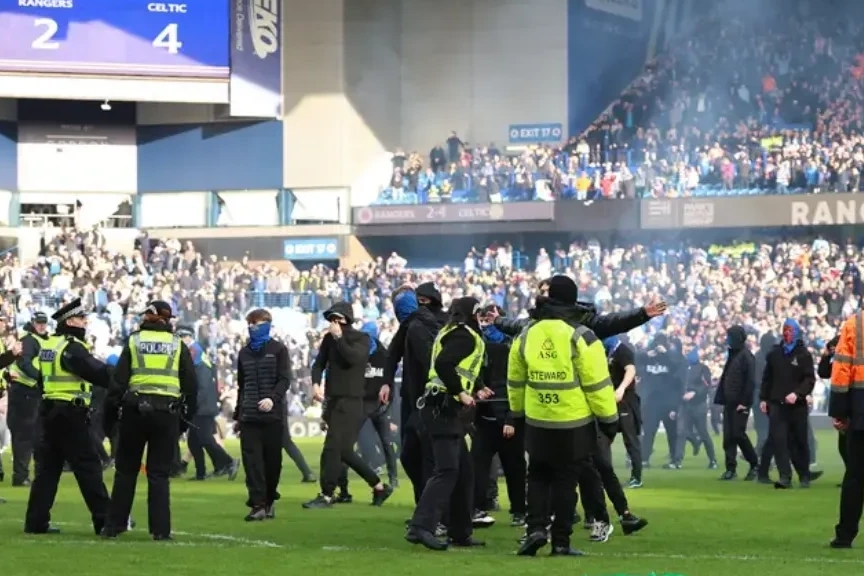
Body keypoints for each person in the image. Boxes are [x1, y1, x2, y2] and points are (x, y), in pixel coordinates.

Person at [509, 276, 619, 558]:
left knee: (537, 476)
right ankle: (560, 542)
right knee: (566, 481)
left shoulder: (526, 334)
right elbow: (597, 384)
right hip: (573, 423)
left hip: (537, 420)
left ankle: (535, 529)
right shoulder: (581, 336)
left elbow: (515, 380)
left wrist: (517, 413)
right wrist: (609, 420)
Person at [102, 301, 197, 540]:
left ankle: (114, 526)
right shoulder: (176, 344)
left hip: (134, 411)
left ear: (148, 316)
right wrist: (183, 421)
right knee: (159, 475)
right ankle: (161, 531)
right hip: (166, 414)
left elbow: (117, 384)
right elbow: (191, 387)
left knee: (126, 471)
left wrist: (111, 417)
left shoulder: (134, 341)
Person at [406, 296, 491, 551]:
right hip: (442, 409)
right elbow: (444, 364)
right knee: (447, 471)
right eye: (479, 313)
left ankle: (460, 532)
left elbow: (458, 368)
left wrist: (477, 386)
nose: (481, 318)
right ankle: (421, 526)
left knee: (464, 471)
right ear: (472, 314)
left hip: (441, 408)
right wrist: (461, 392)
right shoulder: (465, 336)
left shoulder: (453, 332)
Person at [24, 298, 112, 535]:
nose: (85, 322)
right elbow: (97, 372)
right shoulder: (72, 347)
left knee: (47, 470)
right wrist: (121, 377)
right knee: (88, 467)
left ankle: (35, 522)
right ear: (70, 321)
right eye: (82, 319)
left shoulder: (49, 345)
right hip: (70, 413)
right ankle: (105, 520)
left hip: (48, 412)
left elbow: (40, 377)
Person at [304, 303, 393, 509]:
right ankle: (379, 486)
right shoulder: (328, 339)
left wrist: (339, 338)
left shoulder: (361, 339)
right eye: (331, 319)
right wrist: (316, 383)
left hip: (351, 400)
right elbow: (319, 363)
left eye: (337, 319)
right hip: (333, 399)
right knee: (345, 451)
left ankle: (327, 494)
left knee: (332, 448)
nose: (333, 323)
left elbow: (353, 358)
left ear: (346, 319)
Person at [380, 285, 443, 507]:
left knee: (425, 457)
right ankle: (426, 508)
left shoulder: (424, 326)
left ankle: (430, 511)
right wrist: (386, 381)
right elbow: (392, 354)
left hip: (428, 401)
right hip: (414, 399)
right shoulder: (411, 325)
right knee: (412, 456)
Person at [470, 305, 526, 529]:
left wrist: (511, 418)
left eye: (490, 320)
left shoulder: (514, 349)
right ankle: (476, 508)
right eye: (483, 320)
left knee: (515, 468)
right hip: (484, 419)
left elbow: (517, 386)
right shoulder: (477, 348)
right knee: (478, 467)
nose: (486, 325)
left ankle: (520, 510)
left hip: (507, 421)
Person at [233, 308, 292, 521]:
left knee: (272, 462)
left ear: (266, 325)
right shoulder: (243, 353)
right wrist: (238, 414)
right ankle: (257, 504)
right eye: (249, 324)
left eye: (255, 324)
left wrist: (272, 398)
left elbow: (285, 379)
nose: (251, 328)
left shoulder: (279, 349)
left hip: (273, 416)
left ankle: (269, 499)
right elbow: (242, 385)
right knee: (252, 463)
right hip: (249, 416)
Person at [333, 321, 398, 500]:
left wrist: (387, 405)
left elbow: (389, 382)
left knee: (383, 443)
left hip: (375, 405)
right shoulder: (359, 352)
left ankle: (390, 479)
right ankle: (345, 489)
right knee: (348, 445)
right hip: (361, 404)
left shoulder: (383, 355)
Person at [758, 319, 820, 489]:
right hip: (777, 404)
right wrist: (763, 398)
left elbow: (809, 379)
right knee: (779, 441)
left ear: (796, 332)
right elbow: (767, 378)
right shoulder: (774, 354)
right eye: (785, 330)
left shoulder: (804, 354)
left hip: (797, 406)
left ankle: (804, 475)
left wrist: (798, 394)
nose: (787, 333)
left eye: (790, 330)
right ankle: (785, 476)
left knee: (799, 440)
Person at [177, 326, 239, 481]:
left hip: (202, 406)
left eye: (180, 337)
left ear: (188, 337)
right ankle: (202, 473)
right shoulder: (197, 353)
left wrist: (193, 403)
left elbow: (202, 385)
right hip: (203, 404)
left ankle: (229, 462)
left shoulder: (195, 354)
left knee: (205, 439)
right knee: (194, 441)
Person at [829, 310, 864, 548]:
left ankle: (845, 535)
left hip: (860, 409)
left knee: (855, 476)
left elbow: (841, 369)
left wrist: (840, 411)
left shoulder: (855, 324)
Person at [7, 312, 49, 487]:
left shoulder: (38, 340)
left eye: (44, 322)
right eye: (39, 322)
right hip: (25, 391)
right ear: (32, 323)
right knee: (24, 435)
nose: (42, 325)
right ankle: (21, 476)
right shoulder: (30, 340)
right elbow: (24, 364)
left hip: (28, 392)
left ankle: (26, 474)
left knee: (30, 435)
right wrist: (42, 379)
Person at [714, 325, 759, 481]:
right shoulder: (733, 355)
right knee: (728, 436)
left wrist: (745, 402)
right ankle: (730, 468)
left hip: (740, 403)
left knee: (738, 434)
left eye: (729, 337)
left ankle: (754, 464)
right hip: (729, 402)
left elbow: (750, 382)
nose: (727, 340)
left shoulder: (746, 357)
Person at [638, 334, 684, 469]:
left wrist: (666, 353)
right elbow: (636, 359)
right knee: (649, 431)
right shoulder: (648, 357)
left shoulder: (672, 357)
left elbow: (677, 365)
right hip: (652, 401)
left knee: (672, 432)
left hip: (668, 401)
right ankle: (644, 459)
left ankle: (675, 460)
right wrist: (646, 355)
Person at [603, 336, 643, 488]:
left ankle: (637, 478)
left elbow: (631, 370)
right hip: (610, 400)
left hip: (625, 401)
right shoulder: (607, 351)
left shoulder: (623, 351)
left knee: (630, 440)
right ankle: (605, 476)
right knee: (603, 439)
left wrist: (621, 389)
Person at [668, 348, 716, 469]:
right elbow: (676, 389)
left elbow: (706, 386)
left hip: (698, 405)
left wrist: (694, 392)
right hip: (684, 405)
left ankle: (712, 460)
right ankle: (677, 461)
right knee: (681, 432)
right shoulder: (682, 369)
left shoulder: (703, 368)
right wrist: (674, 408)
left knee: (703, 432)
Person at [818, 335, 844, 471]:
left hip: (852, 405)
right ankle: (852, 475)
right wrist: (826, 355)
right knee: (844, 446)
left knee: (850, 445)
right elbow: (823, 372)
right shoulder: (837, 363)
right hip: (844, 407)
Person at [753, 333, 777, 455]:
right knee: (767, 427)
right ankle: (763, 453)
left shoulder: (757, 357)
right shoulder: (774, 357)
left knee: (762, 427)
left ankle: (761, 452)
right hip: (769, 396)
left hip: (759, 396)